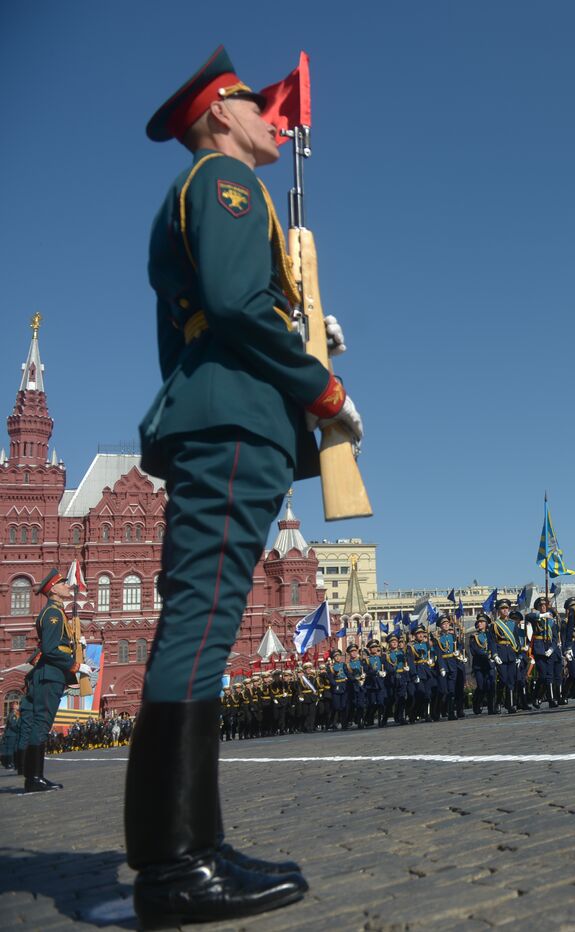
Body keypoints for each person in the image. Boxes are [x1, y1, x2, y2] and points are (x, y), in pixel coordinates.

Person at [130, 45, 369, 922]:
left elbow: (223, 310)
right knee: (200, 624)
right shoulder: (226, 185)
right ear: (217, 115)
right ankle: (172, 862)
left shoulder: (209, 193)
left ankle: (196, 842)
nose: (273, 113)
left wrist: (302, 327)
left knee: (209, 620)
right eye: (250, 100)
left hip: (231, 416)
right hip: (232, 423)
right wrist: (323, 387)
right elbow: (232, 307)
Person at [16, 569, 78, 792]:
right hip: (50, 675)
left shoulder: (56, 612)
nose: (68, 586)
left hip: (49, 674)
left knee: (40, 724)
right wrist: (74, 665)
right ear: (53, 589)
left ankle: (34, 777)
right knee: (42, 724)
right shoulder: (53, 613)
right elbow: (52, 648)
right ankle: (34, 779)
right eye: (63, 583)